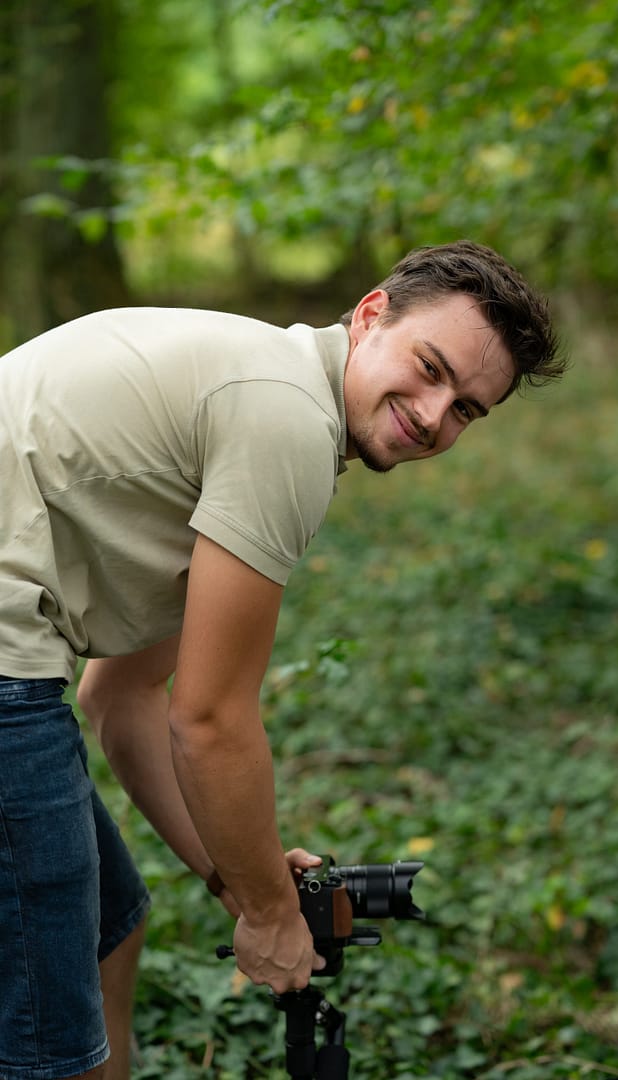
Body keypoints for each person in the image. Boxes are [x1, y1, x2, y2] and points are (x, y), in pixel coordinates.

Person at [0, 240, 565, 1079]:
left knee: (108, 927)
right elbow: (211, 719)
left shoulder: (268, 390)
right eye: (430, 367)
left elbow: (123, 695)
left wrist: (234, 875)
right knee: (51, 1045)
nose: (436, 414)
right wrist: (270, 912)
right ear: (371, 315)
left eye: (467, 408)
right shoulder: (286, 418)